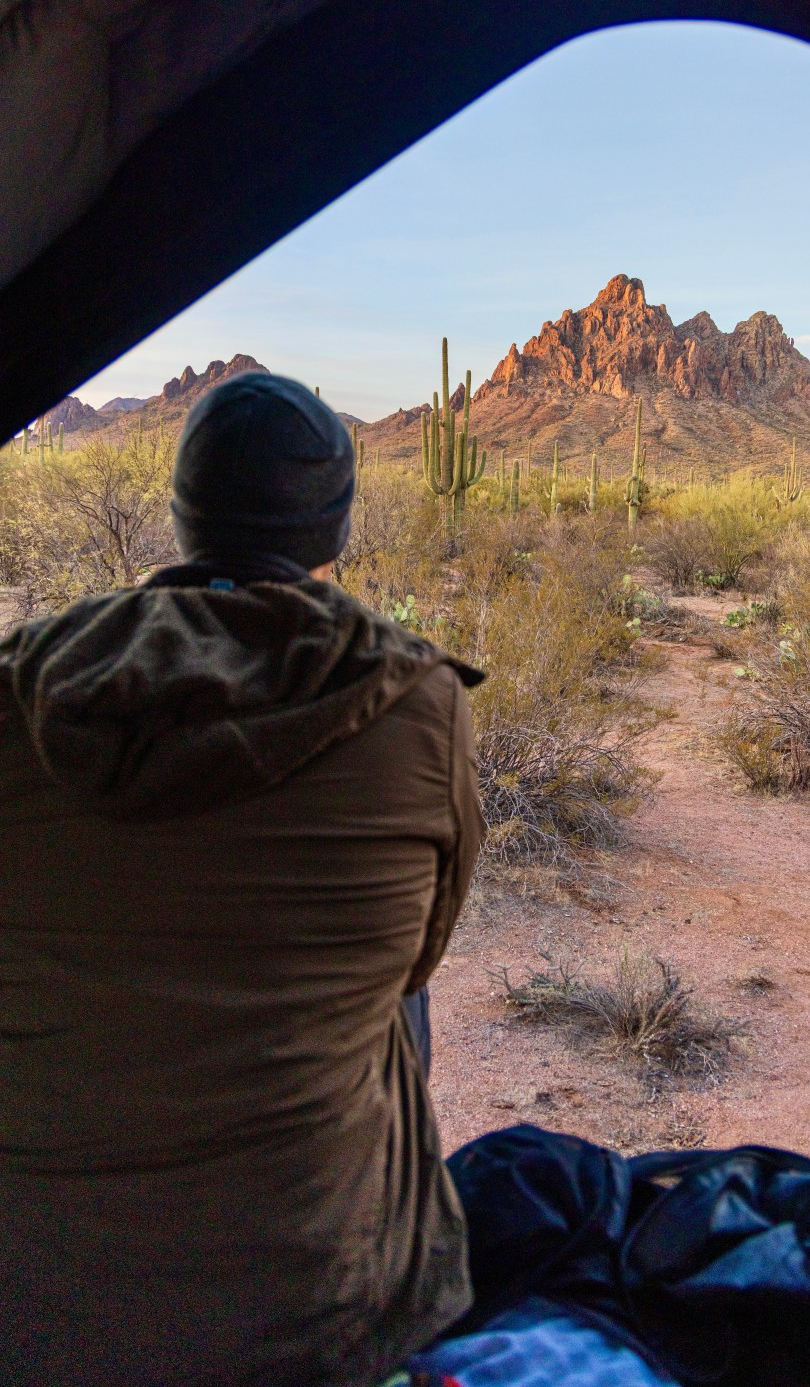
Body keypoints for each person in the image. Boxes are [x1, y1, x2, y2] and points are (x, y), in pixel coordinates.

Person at [0, 374, 485, 1386]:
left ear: (179, 513)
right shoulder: (415, 703)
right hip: (314, 1317)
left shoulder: (21, 686)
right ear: (338, 529)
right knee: (392, 983)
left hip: (33, 1301)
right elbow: (420, 955)